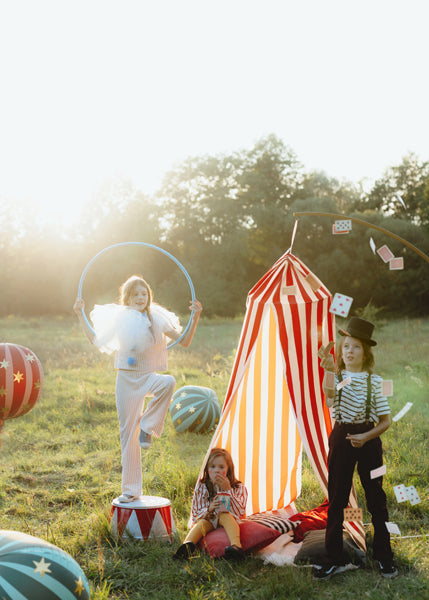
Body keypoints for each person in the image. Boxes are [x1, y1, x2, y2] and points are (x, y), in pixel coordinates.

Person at [73, 275, 202, 503]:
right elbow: (95, 339)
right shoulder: (120, 319)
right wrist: (79, 314)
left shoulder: (157, 319)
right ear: (127, 297)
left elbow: (184, 341)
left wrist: (196, 316)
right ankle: (131, 490)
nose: (140, 298)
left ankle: (148, 425)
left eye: (144, 293)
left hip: (148, 376)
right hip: (126, 380)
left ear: (148, 296)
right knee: (127, 434)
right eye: (135, 294)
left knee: (168, 382)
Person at [314, 316, 397, 580]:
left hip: (369, 441)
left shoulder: (375, 381)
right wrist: (328, 370)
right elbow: (329, 396)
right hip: (342, 438)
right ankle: (333, 558)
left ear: (366, 353)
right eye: (346, 346)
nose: (349, 351)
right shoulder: (339, 377)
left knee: (376, 498)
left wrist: (367, 436)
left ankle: (384, 556)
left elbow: (386, 421)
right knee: (337, 498)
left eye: (356, 347)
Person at [173, 448, 248, 561]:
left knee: (225, 515)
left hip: (228, 519)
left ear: (228, 469)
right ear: (207, 469)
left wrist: (228, 491)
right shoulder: (202, 486)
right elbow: (195, 514)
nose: (217, 471)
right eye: (212, 467)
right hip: (209, 519)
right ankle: (186, 547)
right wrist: (209, 509)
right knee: (202, 523)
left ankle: (236, 547)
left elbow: (240, 513)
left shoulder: (238, 487)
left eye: (221, 467)